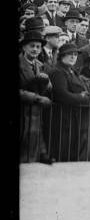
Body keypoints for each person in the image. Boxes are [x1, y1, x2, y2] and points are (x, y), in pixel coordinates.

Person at [49, 43, 90, 161]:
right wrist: (82, 97)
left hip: (75, 117)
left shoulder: (72, 72)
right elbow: (64, 96)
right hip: (65, 118)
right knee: (68, 153)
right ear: (62, 55)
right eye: (70, 54)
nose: (73, 57)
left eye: (75, 55)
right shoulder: (58, 72)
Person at [19, 30, 54, 164]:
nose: (35, 49)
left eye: (38, 47)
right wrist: (37, 98)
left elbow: (47, 89)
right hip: (22, 112)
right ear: (24, 47)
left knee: (34, 145)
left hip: (35, 115)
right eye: (32, 46)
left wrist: (46, 82)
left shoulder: (40, 65)